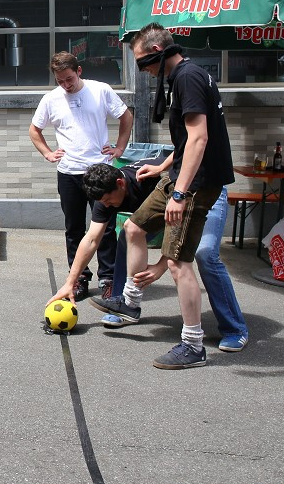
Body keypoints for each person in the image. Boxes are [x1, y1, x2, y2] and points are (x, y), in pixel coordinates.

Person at [89, 23, 235, 370]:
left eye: (142, 62)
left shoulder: (187, 77)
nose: (143, 70)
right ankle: (130, 303)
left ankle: (193, 344)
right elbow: (186, 141)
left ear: (159, 51)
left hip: (196, 184)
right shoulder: (183, 76)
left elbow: (200, 138)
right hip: (177, 174)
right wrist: (163, 166)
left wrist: (180, 193)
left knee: (177, 263)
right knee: (134, 229)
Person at [47, 158, 249, 352]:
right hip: (173, 205)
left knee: (205, 255)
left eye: (108, 200)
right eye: (102, 202)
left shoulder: (150, 179)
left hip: (203, 192)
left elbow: (182, 233)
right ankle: (125, 304)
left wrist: (160, 267)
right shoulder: (105, 194)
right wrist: (70, 282)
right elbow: (91, 239)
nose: (106, 206)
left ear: (120, 184)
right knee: (129, 234)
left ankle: (235, 329)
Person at [30, 52, 133, 301]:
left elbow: (126, 116)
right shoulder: (51, 99)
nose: (66, 85)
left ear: (79, 71)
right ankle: (79, 279)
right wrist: (47, 153)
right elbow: (34, 129)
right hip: (69, 172)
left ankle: (108, 278)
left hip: (99, 171)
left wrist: (119, 148)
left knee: (105, 228)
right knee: (74, 228)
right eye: (60, 81)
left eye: (69, 79)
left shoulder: (101, 90)